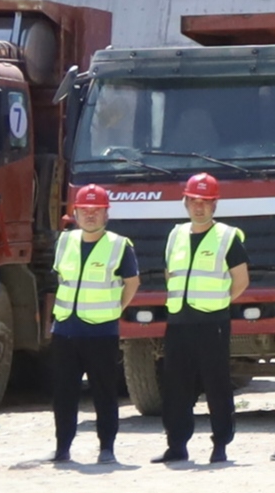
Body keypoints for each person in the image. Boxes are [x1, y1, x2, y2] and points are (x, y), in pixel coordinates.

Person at [156, 171, 246, 465]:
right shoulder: (176, 234)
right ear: (185, 202)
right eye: (194, 201)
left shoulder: (228, 237)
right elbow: (170, 273)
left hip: (212, 322)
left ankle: (220, 444)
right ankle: (177, 445)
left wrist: (218, 301)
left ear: (215, 205)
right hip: (179, 322)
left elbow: (241, 280)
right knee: (176, 386)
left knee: (217, 385)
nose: (199, 207)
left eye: (205, 202)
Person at [46, 184, 136, 468]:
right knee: (63, 394)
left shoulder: (119, 245)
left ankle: (106, 448)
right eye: (85, 210)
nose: (91, 216)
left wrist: (114, 310)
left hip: (101, 332)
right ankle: (62, 448)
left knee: (104, 393)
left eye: (97, 210)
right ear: (75, 213)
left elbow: (132, 283)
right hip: (65, 331)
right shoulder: (64, 242)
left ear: (106, 214)